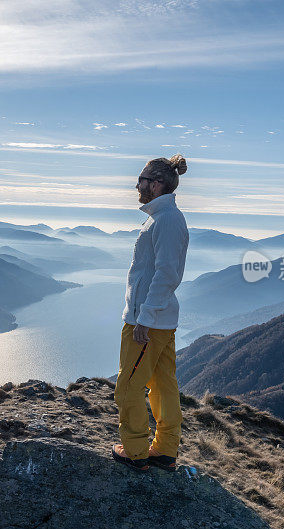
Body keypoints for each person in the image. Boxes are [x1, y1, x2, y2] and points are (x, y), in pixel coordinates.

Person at [111, 154, 189, 472]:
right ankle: (165, 450)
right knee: (162, 385)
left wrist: (143, 317)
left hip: (147, 323)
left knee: (128, 387)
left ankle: (135, 451)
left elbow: (166, 273)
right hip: (160, 320)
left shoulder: (166, 220)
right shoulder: (163, 217)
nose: (137, 185)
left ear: (155, 184)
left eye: (141, 180)